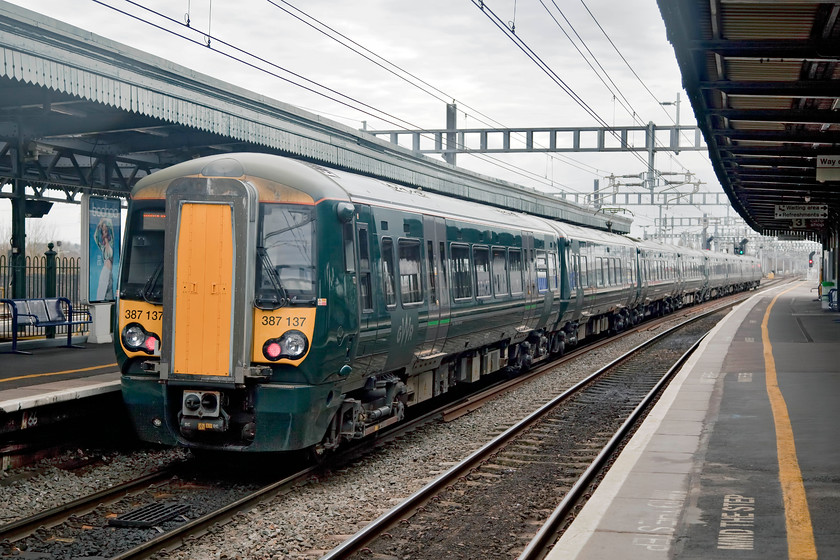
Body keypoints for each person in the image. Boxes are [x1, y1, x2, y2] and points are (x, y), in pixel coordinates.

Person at [94, 217, 115, 300]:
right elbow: (95, 237)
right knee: (102, 292)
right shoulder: (102, 246)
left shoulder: (111, 242)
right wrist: (99, 225)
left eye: (106, 230)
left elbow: (112, 230)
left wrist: (106, 221)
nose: (105, 232)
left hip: (109, 271)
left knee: (107, 292)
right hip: (106, 270)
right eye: (103, 231)